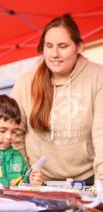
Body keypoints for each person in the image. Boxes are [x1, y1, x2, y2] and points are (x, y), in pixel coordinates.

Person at [11, 14, 103, 185]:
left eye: (63, 46)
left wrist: (102, 182)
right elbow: (14, 133)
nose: (54, 54)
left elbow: (101, 134)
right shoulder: (26, 82)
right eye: (49, 46)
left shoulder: (98, 76)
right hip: (40, 183)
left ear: (78, 47)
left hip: (87, 181)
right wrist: (26, 175)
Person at [0, 95, 44, 187]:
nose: (9, 137)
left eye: (14, 131)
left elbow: (23, 179)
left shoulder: (17, 156)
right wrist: (3, 183)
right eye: (2, 131)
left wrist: (31, 180)